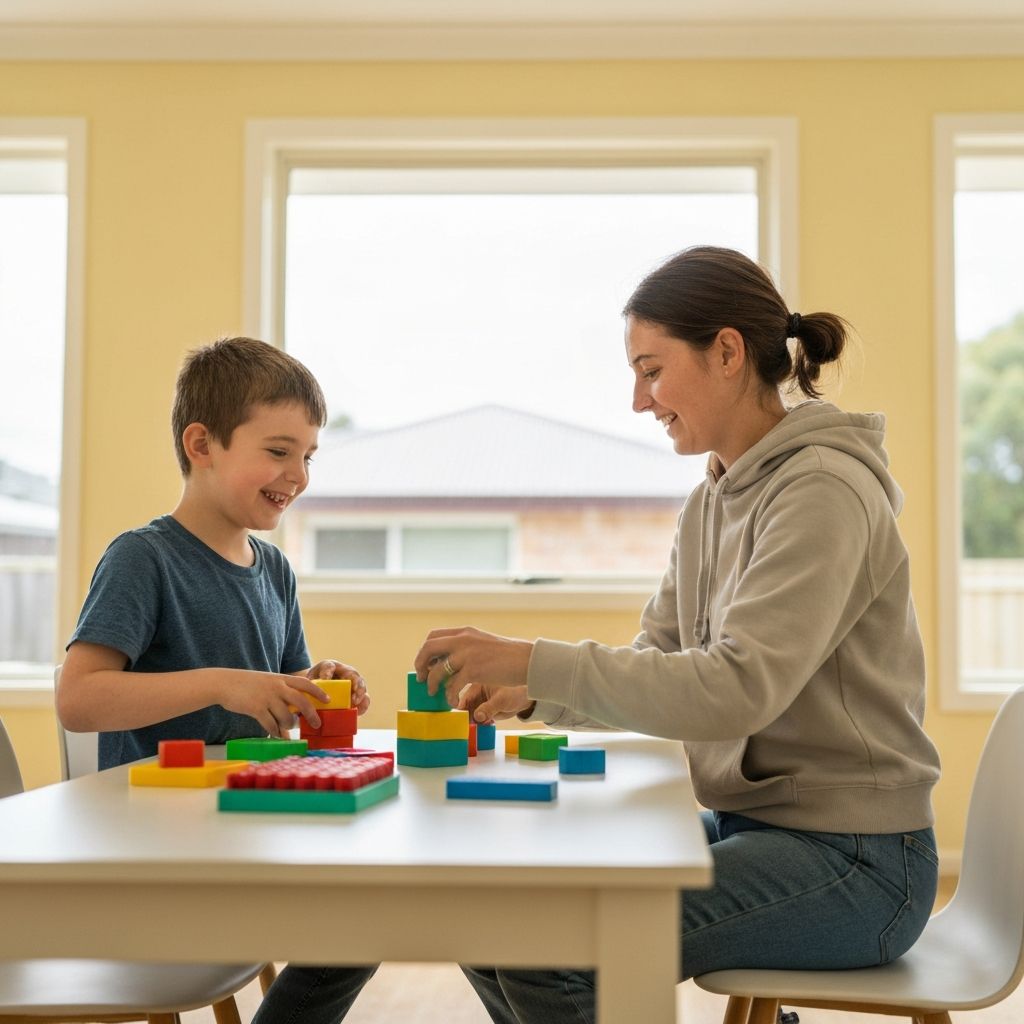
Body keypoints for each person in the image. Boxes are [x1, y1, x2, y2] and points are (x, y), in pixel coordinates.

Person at [413, 245, 942, 1024]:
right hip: (755, 829)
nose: (638, 400)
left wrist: (535, 658)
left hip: (859, 861)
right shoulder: (713, 501)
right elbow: (660, 665)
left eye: (652, 369)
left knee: (551, 953)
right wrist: (533, 693)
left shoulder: (825, 490)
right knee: (501, 912)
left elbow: (735, 690)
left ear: (727, 353)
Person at [57, 335, 378, 1023]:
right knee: (365, 913)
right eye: (278, 450)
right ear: (201, 444)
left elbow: (282, 693)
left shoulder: (276, 570)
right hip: (160, 852)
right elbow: (79, 699)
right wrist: (221, 683)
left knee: (376, 909)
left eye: (308, 456)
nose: (297, 474)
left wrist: (316, 684)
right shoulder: (143, 559)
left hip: (246, 829)